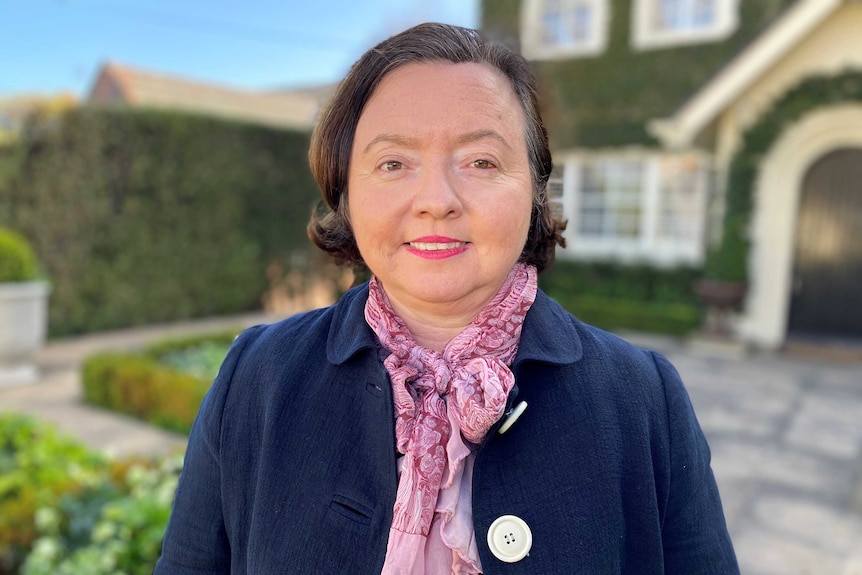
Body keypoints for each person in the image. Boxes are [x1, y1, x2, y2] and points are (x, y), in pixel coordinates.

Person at [154, 22, 739, 575]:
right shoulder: (256, 376)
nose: (437, 199)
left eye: (482, 161)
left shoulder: (643, 399)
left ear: (536, 188)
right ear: (346, 192)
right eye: (393, 162)